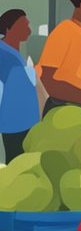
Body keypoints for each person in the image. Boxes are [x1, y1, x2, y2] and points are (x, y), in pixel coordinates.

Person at [0, 9, 39, 161]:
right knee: (16, 160)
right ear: (8, 29)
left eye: (28, 25)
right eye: (23, 25)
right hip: (14, 122)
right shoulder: (4, 55)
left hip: (23, 122)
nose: (29, 30)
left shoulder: (14, 53)